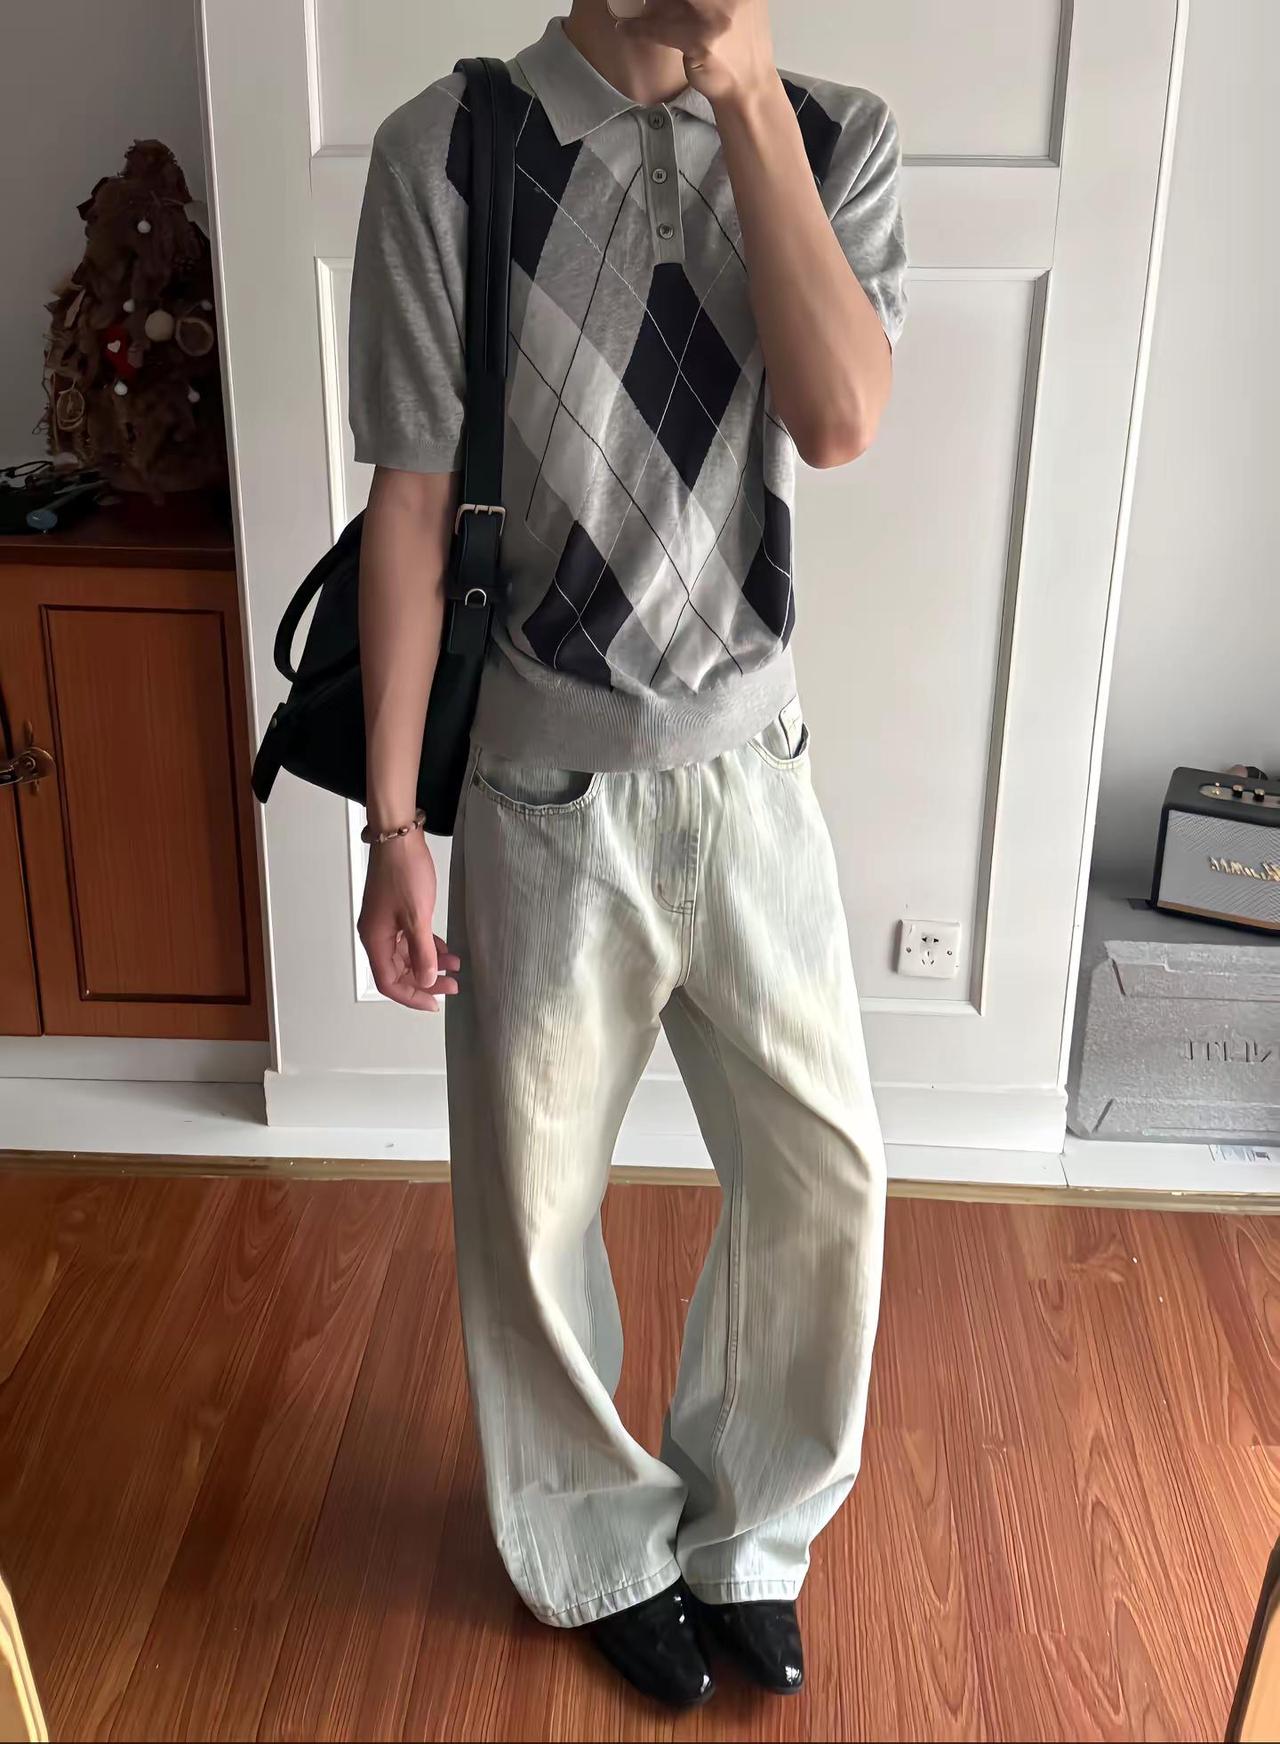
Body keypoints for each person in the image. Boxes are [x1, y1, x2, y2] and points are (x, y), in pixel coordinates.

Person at [349, 0, 906, 1709]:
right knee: (532, 1206)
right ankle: (596, 1541)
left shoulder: (833, 135)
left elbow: (840, 421)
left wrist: (742, 93)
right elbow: (409, 508)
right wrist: (392, 827)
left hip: (755, 770)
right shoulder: (449, 149)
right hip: (537, 787)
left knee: (824, 1178)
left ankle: (751, 1535)